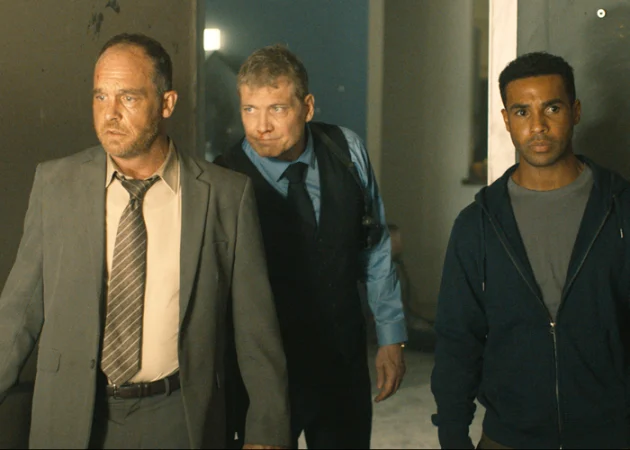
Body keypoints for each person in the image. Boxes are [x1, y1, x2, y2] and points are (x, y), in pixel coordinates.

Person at [0, 33, 291, 449]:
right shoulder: (56, 184)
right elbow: (17, 315)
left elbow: (255, 327)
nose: (110, 113)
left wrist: (267, 428)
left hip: (178, 416)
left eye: (128, 98)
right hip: (70, 415)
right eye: (101, 96)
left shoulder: (225, 195)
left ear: (166, 103)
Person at [431, 51, 630, 449]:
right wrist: (452, 435)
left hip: (611, 434)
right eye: (522, 112)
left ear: (575, 111)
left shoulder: (620, 209)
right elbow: (457, 339)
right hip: (509, 436)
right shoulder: (477, 225)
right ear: (506, 120)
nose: (538, 126)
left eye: (552, 108)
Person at [217, 44, 407, 449]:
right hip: (263, 375)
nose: (261, 126)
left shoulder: (345, 151)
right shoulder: (224, 178)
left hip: (341, 360)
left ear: (307, 107)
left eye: (277, 109)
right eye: (249, 109)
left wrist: (391, 335)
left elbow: (375, 248)